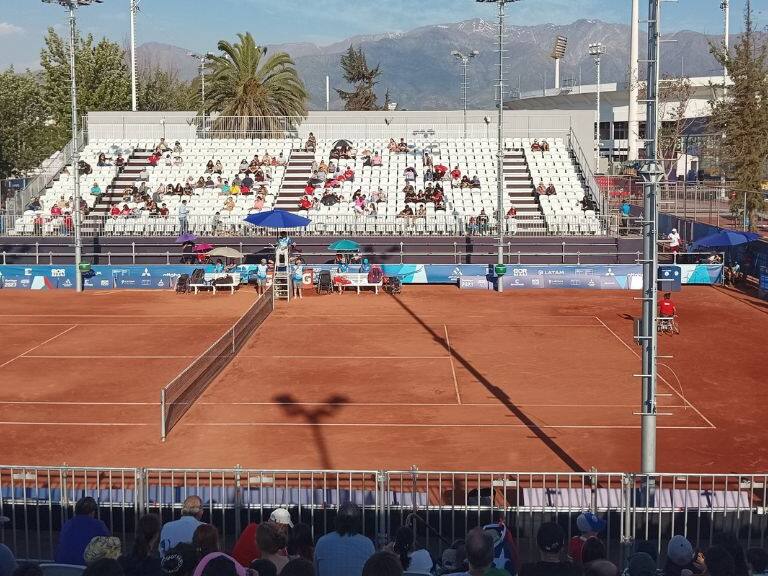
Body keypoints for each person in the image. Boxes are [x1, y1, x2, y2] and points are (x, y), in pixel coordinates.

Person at [314, 502, 374, 576]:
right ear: (358, 522)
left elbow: (316, 572)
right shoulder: (368, 544)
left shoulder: (321, 542)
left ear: (337, 520)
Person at [55, 497, 111, 565]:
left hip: (62, 568)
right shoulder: (99, 525)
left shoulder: (67, 524)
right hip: (86, 569)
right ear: (93, 512)